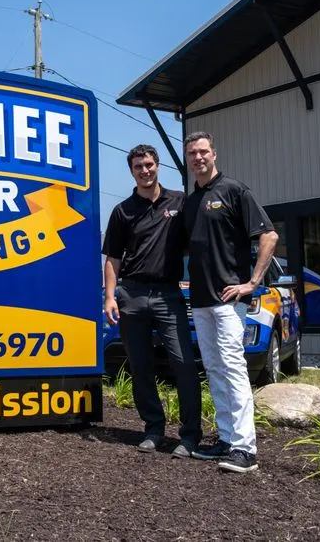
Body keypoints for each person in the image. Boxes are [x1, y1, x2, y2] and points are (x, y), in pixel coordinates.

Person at [182, 132, 278, 473]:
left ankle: (245, 449)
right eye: (192, 153)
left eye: (203, 151)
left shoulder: (234, 190)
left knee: (233, 368)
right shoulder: (191, 202)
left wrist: (252, 282)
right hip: (200, 300)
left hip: (228, 301)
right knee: (214, 369)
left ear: (214, 154)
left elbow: (269, 235)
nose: (198, 157)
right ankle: (225, 439)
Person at [102, 144, 202, 458]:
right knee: (141, 366)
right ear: (131, 172)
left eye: (148, 165)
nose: (144, 171)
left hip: (169, 295)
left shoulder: (179, 201)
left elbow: (195, 242)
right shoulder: (122, 211)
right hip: (131, 295)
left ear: (157, 165)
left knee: (184, 364)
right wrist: (110, 297)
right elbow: (113, 258)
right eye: (138, 167)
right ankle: (153, 429)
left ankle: (190, 436)